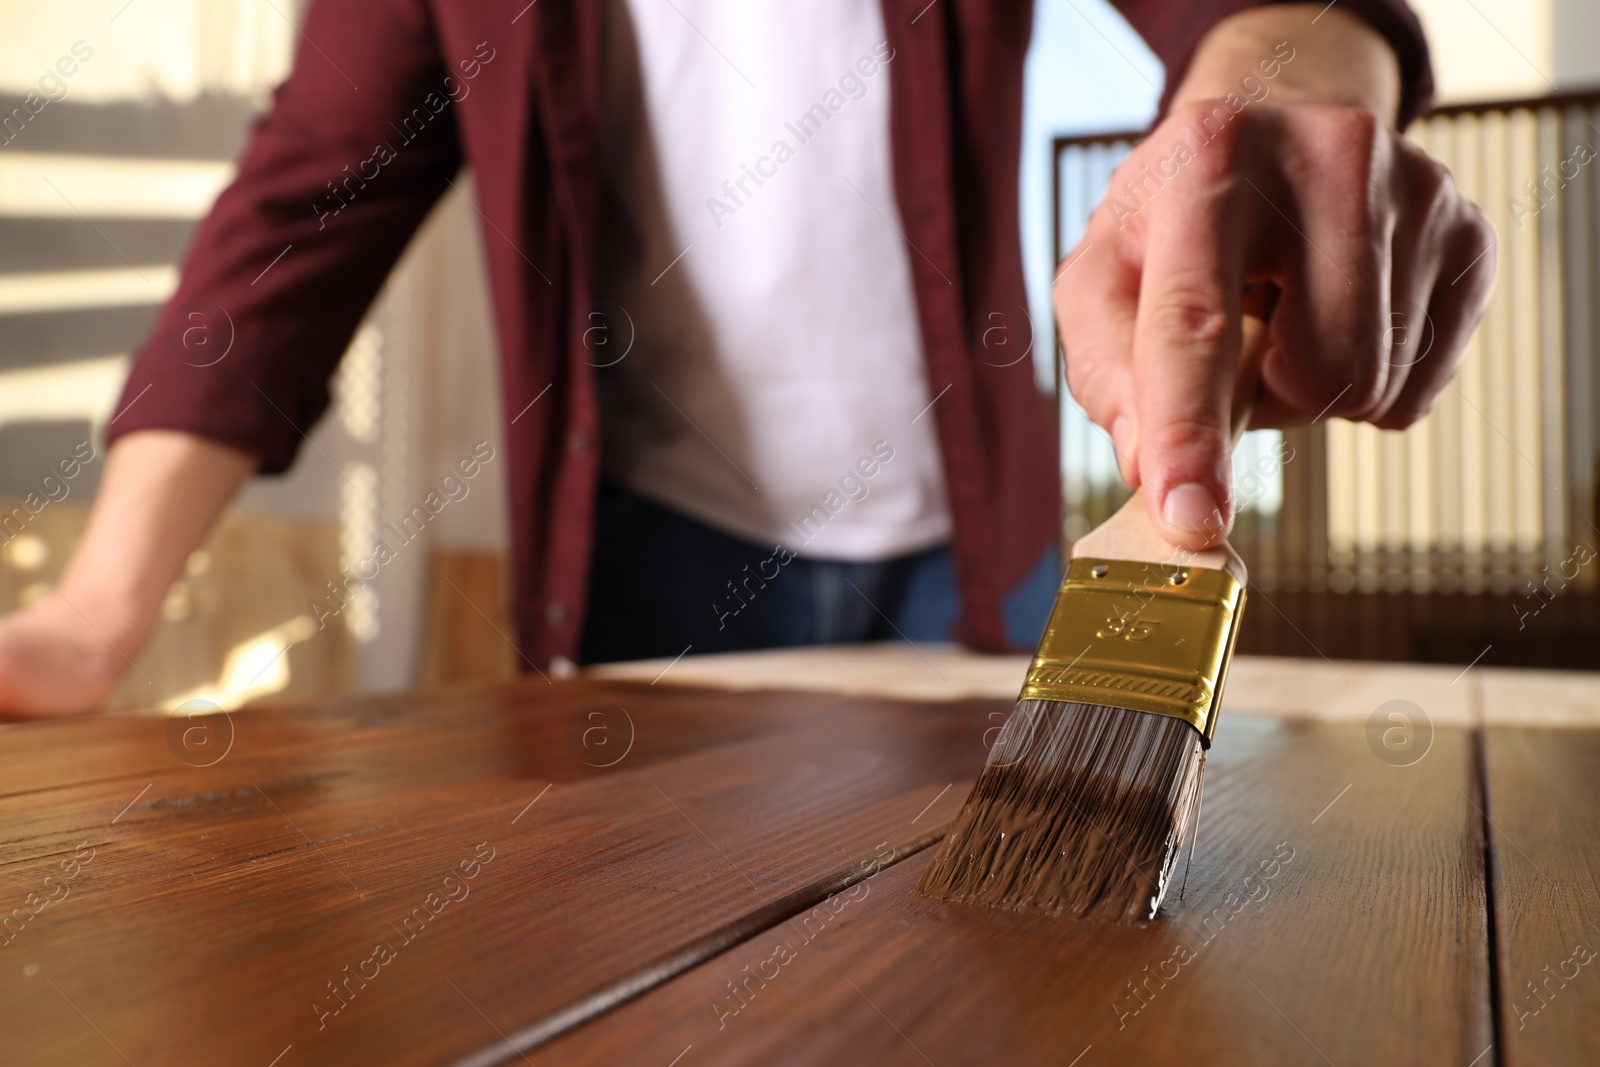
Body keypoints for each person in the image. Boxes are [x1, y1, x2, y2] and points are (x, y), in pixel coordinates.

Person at [0, 0, 1493, 717]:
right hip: (651, 575)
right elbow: (301, 212)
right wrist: (96, 614)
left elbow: (1267, 17)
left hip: (978, 563)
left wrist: (1275, 92)